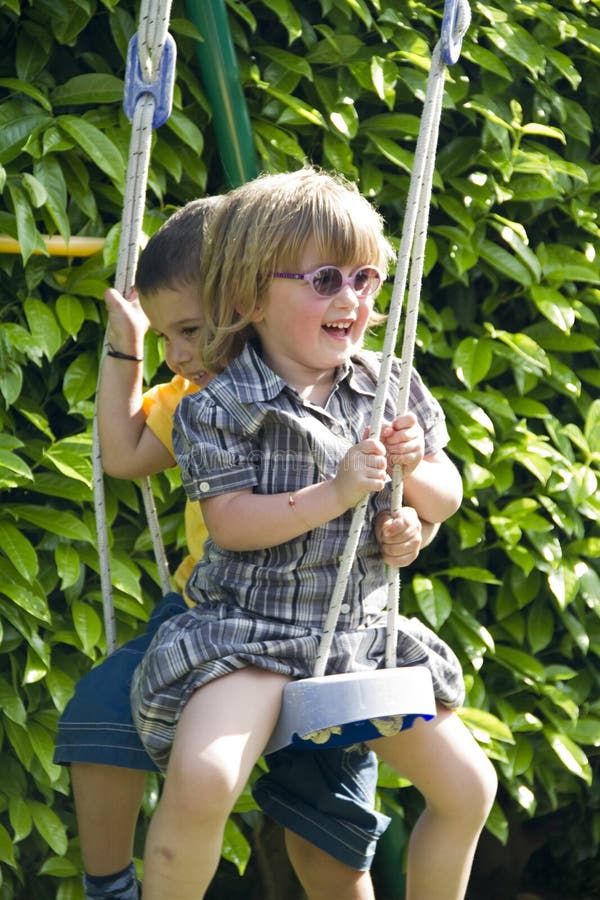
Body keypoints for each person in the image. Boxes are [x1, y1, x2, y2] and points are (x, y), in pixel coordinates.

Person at [130, 167, 498, 900]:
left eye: (364, 278)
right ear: (246, 296)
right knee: (204, 777)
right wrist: (334, 493)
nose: (352, 300)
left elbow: (447, 493)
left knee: (469, 785)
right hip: (249, 637)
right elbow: (231, 526)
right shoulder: (220, 404)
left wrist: (412, 507)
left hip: (359, 637)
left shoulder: (384, 379)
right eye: (325, 279)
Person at [54, 196, 407, 900]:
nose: (177, 354)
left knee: (331, 843)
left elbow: (416, 485)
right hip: (212, 613)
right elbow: (122, 456)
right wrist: (125, 347)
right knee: (96, 715)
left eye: (187, 330)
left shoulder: (334, 381)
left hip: (319, 623)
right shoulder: (192, 397)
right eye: (164, 339)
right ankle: (111, 886)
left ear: (244, 301)